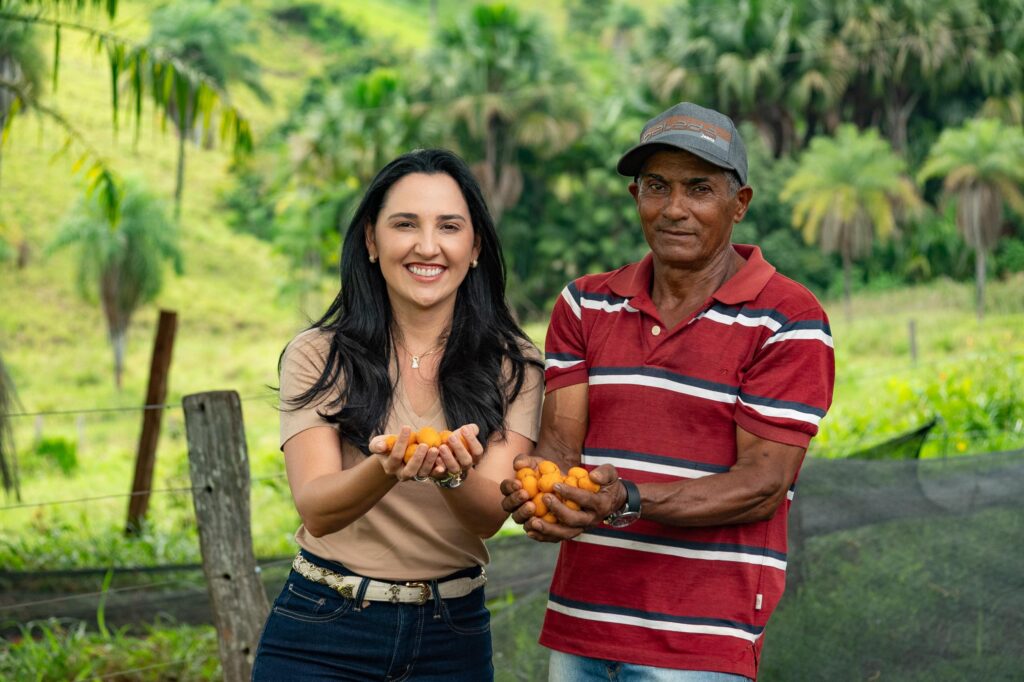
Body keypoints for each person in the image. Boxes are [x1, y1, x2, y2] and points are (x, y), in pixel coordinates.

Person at [500, 102, 835, 681]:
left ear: (739, 204)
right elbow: (559, 449)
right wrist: (542, 497)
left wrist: (626, 499)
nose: (674, 208)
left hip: (699, 644)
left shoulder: (787, 319)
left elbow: (762, 484)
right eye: (657, 186)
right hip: (583, 625)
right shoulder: (585, 304)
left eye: (699, 189)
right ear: (636, 197)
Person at [252, 148, 544, 681]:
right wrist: (386, 467)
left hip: (451, 638)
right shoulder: (319, 355)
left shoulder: (515, 364)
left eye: (449, 227)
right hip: (323, 628)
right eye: (405, 224)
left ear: (475, 247)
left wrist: (451, 476)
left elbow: (488, 517)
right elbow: (316, 508)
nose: (427, 246)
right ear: (371, 240)